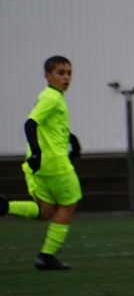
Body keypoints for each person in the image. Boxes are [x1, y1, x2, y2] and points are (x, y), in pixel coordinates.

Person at [1, 56, 83, 271]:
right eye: (60, 73)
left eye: (69, 73)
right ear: (47, 76)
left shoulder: (49, 96)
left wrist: (71, 139)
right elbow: (30, 124)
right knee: (69, 204)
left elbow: (51, 128)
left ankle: (4, 207)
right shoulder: (52, 98)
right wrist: (37, 153)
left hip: (37, 167)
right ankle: (46, 256)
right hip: (55, 164)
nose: (66, 77)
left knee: (45, 211)